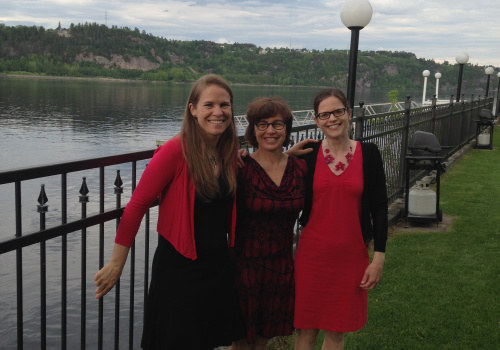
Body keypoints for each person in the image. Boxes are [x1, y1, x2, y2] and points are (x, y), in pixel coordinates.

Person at [93, 74, 245, 350]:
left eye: (225, 105)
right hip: (180, 269)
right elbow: (136, 207)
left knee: (206, 341)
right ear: (193, 109)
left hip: (217, 266)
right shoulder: (175, 151)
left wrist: (286, 155)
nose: (218, 112)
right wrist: (117, 263)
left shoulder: (227, 150)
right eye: (209, 104)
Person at [292, 88, 388, 350]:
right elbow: (273, 171)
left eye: (337, 111)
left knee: (336, 333)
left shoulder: (368, 153)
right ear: (316, 119)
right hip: (312, 257)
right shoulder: (308, 155)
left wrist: (378, 257)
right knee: (306, 331)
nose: (332, 119)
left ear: (348, 113)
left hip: (350, 257)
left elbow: (380, 207)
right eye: (325, 114)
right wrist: (288, 153)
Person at [231, 97, 307, 350]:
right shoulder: (241, 168)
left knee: (264, 339)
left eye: (277, 124)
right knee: (241, 342)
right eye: (262, 124)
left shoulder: (300, 169)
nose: (270, 131)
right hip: (245, 268)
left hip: (282, 266)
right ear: (252, 130)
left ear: (287, 129)